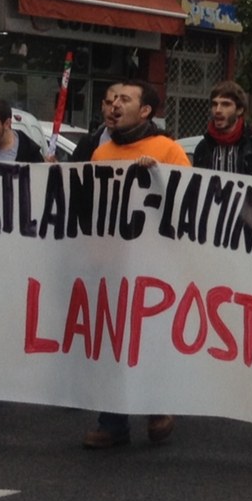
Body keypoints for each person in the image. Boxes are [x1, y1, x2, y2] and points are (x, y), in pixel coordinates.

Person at [83, 79, 192, 448]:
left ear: (145, 111)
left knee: (149, 340)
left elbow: (188, 203)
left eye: (124, 100)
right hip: (110, 264)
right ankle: (112, 422)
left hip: (154, 267)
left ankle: (157, 404)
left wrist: (158, 177)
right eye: (109, 99)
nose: (113, 105)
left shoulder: (168, 150)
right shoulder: (100, 155)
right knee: (111, 342)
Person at [190, 80, 252, 179]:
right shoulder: (203, 148)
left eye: (225, 104)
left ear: (239, 110)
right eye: (214, 104)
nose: (218, 110)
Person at [68, 83, 123, 163]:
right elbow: (71, 172)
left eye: (118, 106)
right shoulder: (87, 143)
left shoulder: (137, 144)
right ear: (102, 105)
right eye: (108, 103)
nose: (112, 110)